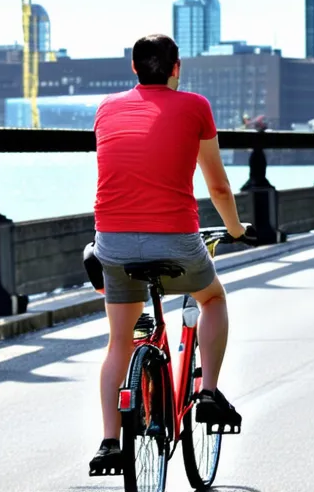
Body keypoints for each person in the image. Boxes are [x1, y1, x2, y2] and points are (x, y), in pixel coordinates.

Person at [87, 34, 249, 472]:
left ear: (134, 69)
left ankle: (108, 441)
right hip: (176, 240)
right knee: (212, 298)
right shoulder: (195, 106)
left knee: (119, 340)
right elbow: (217, 185)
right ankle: (209, 393)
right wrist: (235, 228)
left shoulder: (106, 109)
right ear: (177, 68)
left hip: (113, 242)